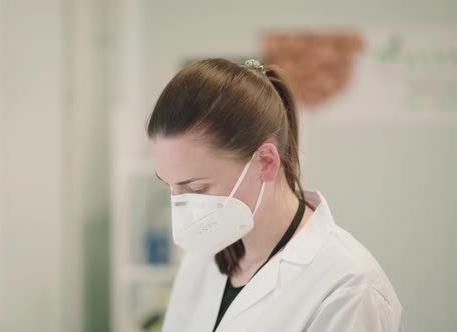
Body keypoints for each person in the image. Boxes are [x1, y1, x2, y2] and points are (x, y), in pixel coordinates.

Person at [147, 58, 403, 332]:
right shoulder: (203, 257)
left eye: (196, 189)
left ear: (266, 162)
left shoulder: (349, 289)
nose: (183, 207)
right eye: (169, 187)